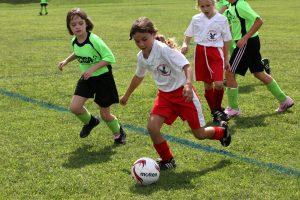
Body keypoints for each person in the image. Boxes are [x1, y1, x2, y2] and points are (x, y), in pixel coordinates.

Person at [120, 17, 231, 170]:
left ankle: (221, 132)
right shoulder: (141, 57)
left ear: (153, 34)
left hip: (184, 95)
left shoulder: (164, 50)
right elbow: (138, 76)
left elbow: (186, 65)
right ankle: (168, 160)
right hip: (165, 96)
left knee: (199, 134)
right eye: (137, 41)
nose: (141, 44)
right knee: (152, 128)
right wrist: (126, 95)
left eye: (144, 39)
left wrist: (188, 85)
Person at [58, 8, 126, 144]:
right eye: (73, 24)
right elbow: (78, 52)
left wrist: (92, 69)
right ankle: (91, 122)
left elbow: (109, 57)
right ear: (69, 27)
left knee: (105, 115)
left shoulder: (94, 40)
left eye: (80, 23)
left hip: (103, 78)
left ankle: (119, 132)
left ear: (86, 24)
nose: (77, 26)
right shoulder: (74, 41)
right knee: (75, 107)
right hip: (87, 79)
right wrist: (66, 61)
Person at [224, 0, 294, 117]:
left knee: (229, 72)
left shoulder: (240, 4)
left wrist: (245, 38)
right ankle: (285, 100)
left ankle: (233, 108)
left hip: (246, 43)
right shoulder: (232, 6)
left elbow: (259, 20)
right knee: (258, 73)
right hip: (250, 42)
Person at [181, 0, 232, 123]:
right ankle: (215, 112)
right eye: (202, 6)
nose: (205, 8)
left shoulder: (222, 19)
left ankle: (217, 108)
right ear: (198, 6)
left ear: (214, 4)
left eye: (208, 5)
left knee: (219, 83)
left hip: (216, 53)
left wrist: (226, 59)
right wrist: (185, 44)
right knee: (208, 84)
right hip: (201, 53)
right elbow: (188, 35)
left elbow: (227, 40)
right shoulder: (196, 19)